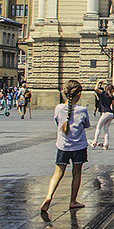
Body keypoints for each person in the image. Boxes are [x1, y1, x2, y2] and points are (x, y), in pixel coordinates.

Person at [40, 80, 90, 212]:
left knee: (58, 173)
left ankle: (49, 196)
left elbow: (57, 121)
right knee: (77, 173)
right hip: (79, 146)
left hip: (63, 146)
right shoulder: (82, 110)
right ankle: (73, 201)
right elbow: (86, 125)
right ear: (79, 94)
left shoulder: (58, 108)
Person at [91, 83, 114, 150]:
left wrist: (98, 83)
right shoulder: (111, 96)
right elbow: (113, 105)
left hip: (105, 113)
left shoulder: (104, 93)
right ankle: (106, 144)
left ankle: (95, 141)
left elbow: (96, 89)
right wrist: (113, 113)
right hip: (110, 113)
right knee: (106, 130)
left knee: (98, 127)